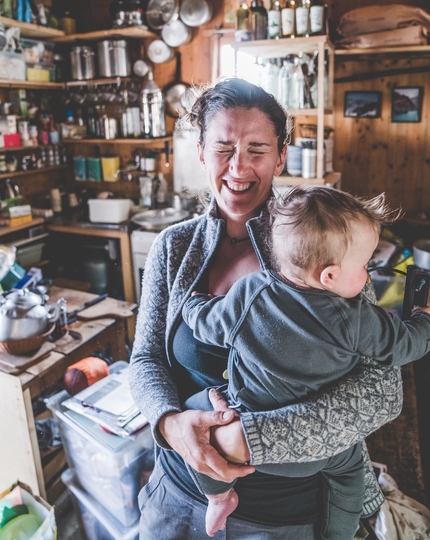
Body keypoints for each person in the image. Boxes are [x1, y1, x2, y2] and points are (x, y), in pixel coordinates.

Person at [129, 78, 403, 540]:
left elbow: (382, 390)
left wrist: (249, 439)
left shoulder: (320, 242)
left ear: (280, 157)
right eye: (223, 148)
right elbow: (146, 360)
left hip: (283, 513)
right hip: (177, 492)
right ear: (200, 152)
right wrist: (170, 423)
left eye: (257, 149)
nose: (239, 166)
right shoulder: (174, 248)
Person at [182, 186, 430, 538]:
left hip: (242, 424)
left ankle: (218, 496)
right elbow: (407, 345)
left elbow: (208, 325)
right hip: (313, 454)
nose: (366, 275)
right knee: (350, 473)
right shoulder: (356, 317)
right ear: (329, 276)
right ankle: (340, 533)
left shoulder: (250, 291)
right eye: (364, 266)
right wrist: (423, 316)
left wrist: (192, 303)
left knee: (193, 414)